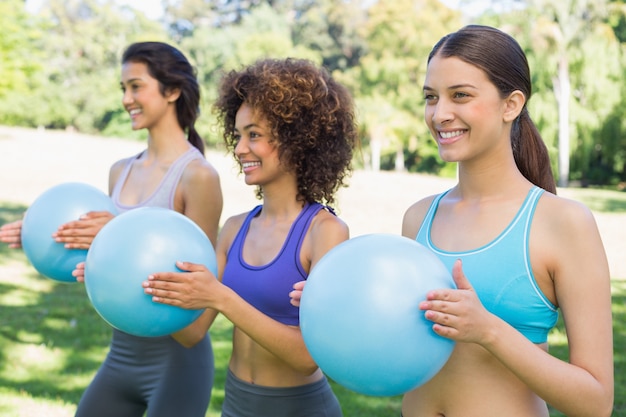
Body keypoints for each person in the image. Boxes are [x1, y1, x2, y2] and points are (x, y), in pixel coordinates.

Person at [400, 25, 614, 416]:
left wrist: (488, 331)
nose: (440, 114)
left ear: (511, 104)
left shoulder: (563, 223)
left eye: (460, 95)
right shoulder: (418, 218)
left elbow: (596, 402)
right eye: (431, 98)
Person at [0, 41, 223, 417]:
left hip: (178, 362)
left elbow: (197, 319)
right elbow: (109, 257)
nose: (126, 99)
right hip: (121, 353)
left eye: (136, 86)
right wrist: (47, 233)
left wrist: (116, 230)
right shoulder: (121, 170)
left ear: (172, 91)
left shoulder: (198, 176)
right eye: (123, 89)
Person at [141, 57, 358, 417]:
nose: (240, 149)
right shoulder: (234, 228)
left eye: (254, 135)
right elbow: (192, 332)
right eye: (238, 135)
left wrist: (222, 298)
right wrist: (135, 281)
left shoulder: (326, 232)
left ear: (297, 138)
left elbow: (307, 357)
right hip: (237, 404)